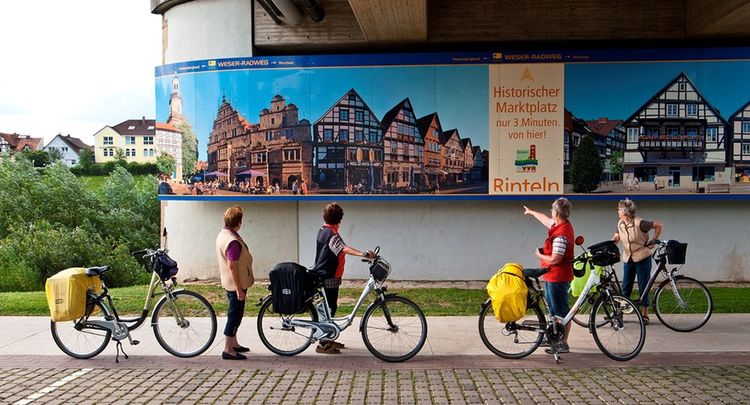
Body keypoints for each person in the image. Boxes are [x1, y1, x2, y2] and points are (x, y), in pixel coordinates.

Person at [311, 203, 374, 354]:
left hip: (328, 275)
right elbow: (342, 248)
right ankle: (323, 343)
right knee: (329, 309)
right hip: (329, 276)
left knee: (330, 308)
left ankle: (328, 337)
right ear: (339, 219)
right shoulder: (331, 234)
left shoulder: (323, 230)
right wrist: (364, 254)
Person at [523, 197, 575, 354]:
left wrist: (539, 255)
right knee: (553, 309)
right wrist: (531, 212)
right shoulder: (559, 225)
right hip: (553, 275)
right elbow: (545, 220)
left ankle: (563, 343)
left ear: (557, 212)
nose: (551, 212)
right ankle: (553, 336)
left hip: (558, 276)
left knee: (561, 311)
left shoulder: (561, 234)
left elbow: (555, 259)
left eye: (552, 210)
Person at [612, 199, 663, 324]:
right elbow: (617, 237)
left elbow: (659, 225)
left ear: (624, 211)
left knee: (643, 286)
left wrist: (653, 240)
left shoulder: (640, 223)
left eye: (619, 209)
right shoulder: (620, 223)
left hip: (642, 257)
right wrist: (610, 244)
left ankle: (645, 314)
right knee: (626, 287)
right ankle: (622, 313)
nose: (618, 211)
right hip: (628, 258)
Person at [216, 206, 254, 360]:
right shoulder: (232, 241)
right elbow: (232, 266)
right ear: (238, 222)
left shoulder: (225, 234)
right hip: (235, 284)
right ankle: (228, 349)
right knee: (235, 315)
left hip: (231, 283)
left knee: (236, 313)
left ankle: (234, 343)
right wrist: (239, 289)